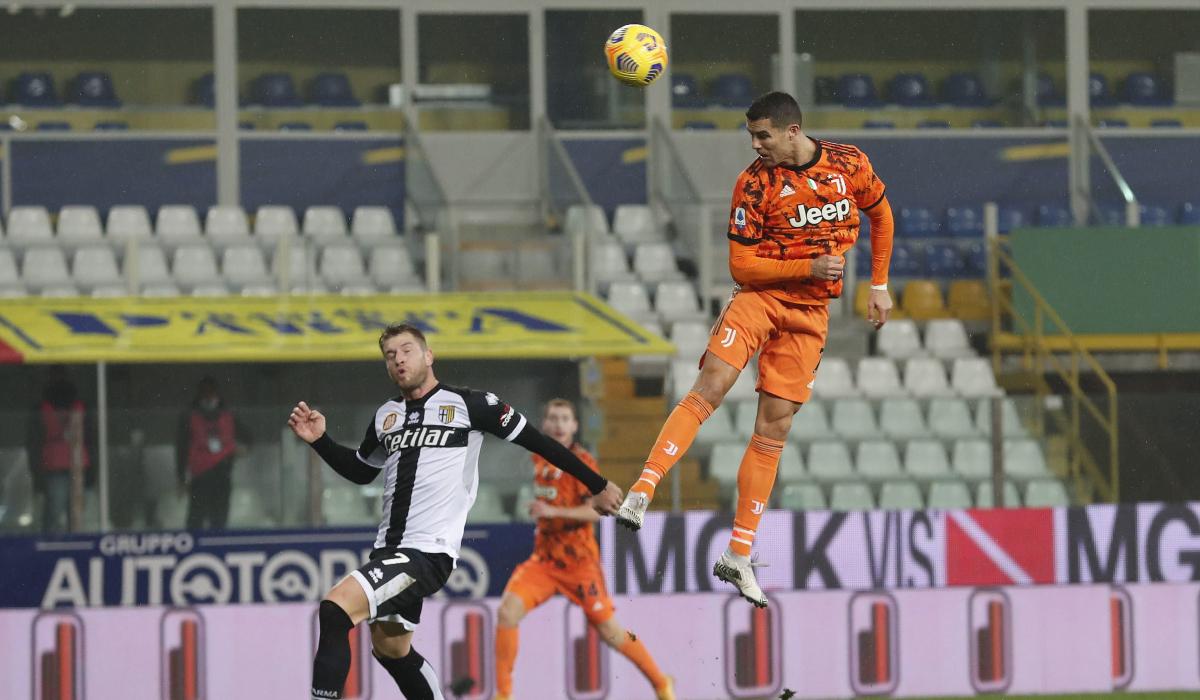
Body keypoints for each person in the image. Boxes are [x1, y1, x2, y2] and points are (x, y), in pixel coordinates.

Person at [616, 91, 895, 607]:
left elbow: (882, 216)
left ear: (792, 131)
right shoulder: (754, 183)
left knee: (775, 426)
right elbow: (741, 267)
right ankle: (643, 490)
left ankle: (739, 554)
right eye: (752, 136)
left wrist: (878, 284)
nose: (755, 144)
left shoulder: (849, 163)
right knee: (713, 384)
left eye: (762, 135)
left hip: (810, 315)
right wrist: (806, 267)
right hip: (760, 299)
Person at [288, 323, 623, 700]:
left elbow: (540, 441)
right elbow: (363, 471)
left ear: (429, 356)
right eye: (390, 355)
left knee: (334, 611)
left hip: (426, 552)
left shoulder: (472, 405)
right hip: (390, 550)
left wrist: (597, 485)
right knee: (391, 650)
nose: (398, 359)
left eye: (407, 350)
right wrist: (321, 442)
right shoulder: (387, 416)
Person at [494, 399, 674, 700]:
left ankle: (660, 682)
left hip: (579, 564)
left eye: (565, 418)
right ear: (545, 424)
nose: (559, 424)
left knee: (610, 632)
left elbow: (598, 510)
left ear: (575, 426)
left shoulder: (582, 463)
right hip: (544, 561)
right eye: (553, 418)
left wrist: (553, 513)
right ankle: (503, 695)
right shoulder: (540, 458)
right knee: (507, 612)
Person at [176, 376, 250, 530]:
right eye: (205, 393)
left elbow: (248, 437)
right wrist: (181, 477)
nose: (208, 396)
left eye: (211, 392)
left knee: (219, 519)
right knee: (196, 519)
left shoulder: (228, 415)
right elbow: (181, 448)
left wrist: (243, 449)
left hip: (222, 474)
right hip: (200, 476)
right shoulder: (190, 416)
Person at [26, 365, 94, 533]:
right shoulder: (42, 409)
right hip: (54, 466)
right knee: (55, 512)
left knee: (75, 513)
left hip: (76, 465)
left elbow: (92, 439)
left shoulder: (81, 406)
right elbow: (34, 442)